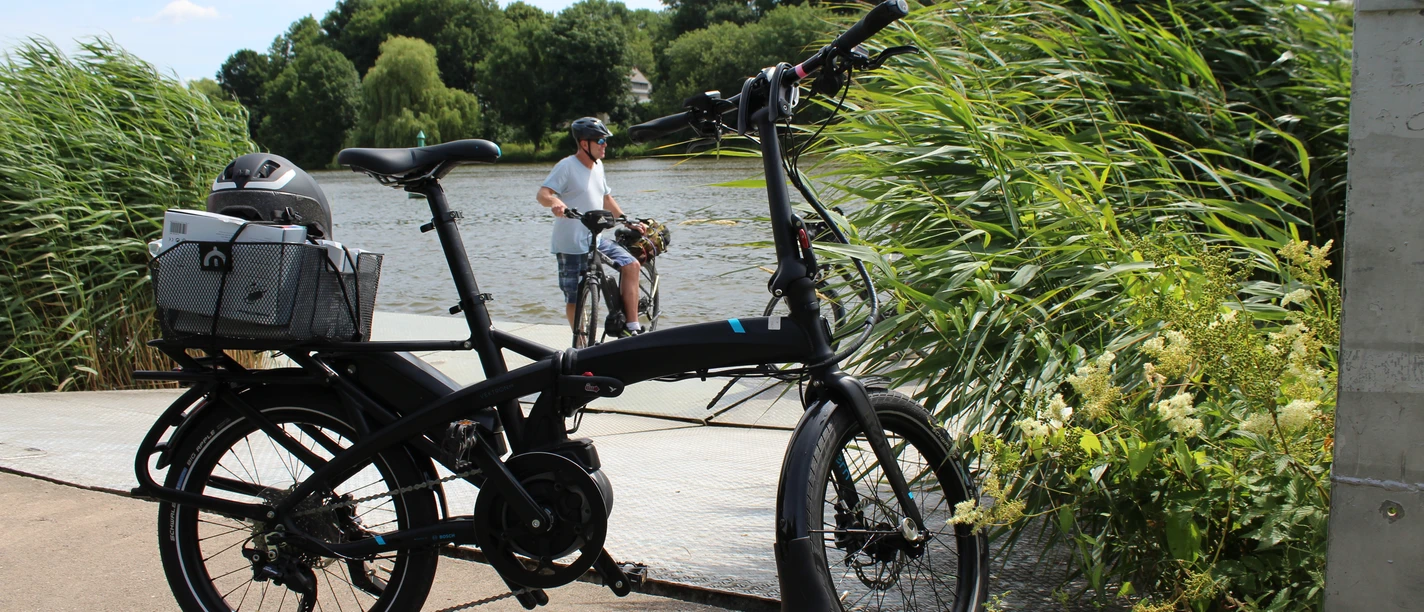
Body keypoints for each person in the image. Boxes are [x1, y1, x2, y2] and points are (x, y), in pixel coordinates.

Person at [537, 117, 644, 337]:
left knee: (631, 265)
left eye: (605, 141)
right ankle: (581, 339)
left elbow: (606, 198)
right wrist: (556, 202)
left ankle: (632, 326)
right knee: (574, 298)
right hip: (571, 244)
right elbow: (543, 194)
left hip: (595, 238)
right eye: (601, 141)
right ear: (584, 144)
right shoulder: (567, 166)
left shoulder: (598, 165)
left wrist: (625, 218)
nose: (605, 145)